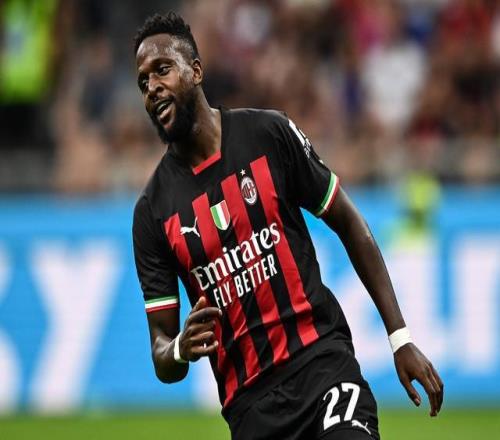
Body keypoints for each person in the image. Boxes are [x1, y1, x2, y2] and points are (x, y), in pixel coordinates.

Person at [132, 12, 443, 440]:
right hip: (251, 408)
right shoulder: (152, 212)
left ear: (196, 71)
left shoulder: (269, 135)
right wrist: (181, 348)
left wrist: (400, 336)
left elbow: (349, 222)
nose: (152, 87)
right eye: (143, 82)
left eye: (162, 69)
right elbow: (162, 354)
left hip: (323, 366)